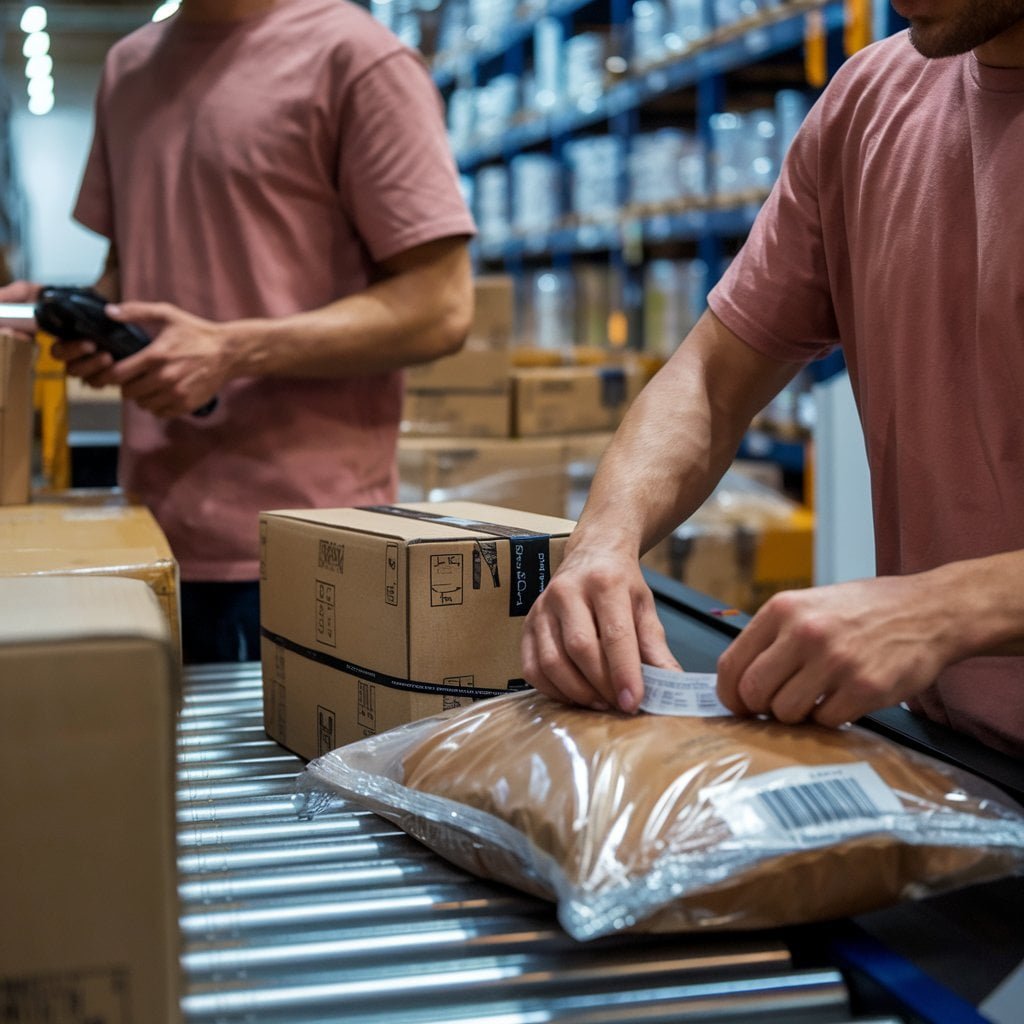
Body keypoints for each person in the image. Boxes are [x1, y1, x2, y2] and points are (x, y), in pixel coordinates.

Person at [521, 0, 1024, 758]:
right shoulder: (869, 102)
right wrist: (603, 541)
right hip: (952, 749)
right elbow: (712, 380)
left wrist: (944, 609)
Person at [0, 0, 476, 663]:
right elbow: (128, 270)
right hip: (149, 533)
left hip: (311, 544)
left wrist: (232, 350)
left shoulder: (357, 59)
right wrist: (66, 310)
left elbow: (442, 304)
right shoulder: (128, 68)